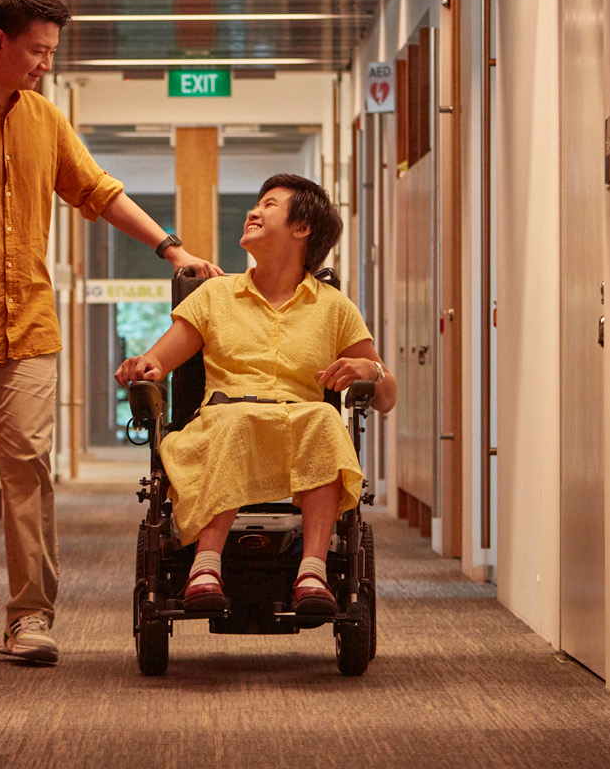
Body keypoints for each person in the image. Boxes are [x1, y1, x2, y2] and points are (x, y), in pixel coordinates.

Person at [0, 0, 224, 664]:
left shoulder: (43, 119)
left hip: (29, 326)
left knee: (27, 465)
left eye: (52, 53)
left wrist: (173, 247)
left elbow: (98, 192)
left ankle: (30, 616)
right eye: (39, 51)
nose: (46, 63)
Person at [113, 174, 397, 616]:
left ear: (302, 228)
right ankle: (205, 568)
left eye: (269, 205)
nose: (254, 212)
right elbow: (158, 361)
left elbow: (388, 396)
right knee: (238, 419)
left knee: (325, 419)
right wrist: (142, 366)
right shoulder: (215, 295)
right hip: (224, 426)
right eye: (256, 204)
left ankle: (313, 573)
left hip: (300, 432)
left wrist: (372, 370)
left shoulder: (334, 308)